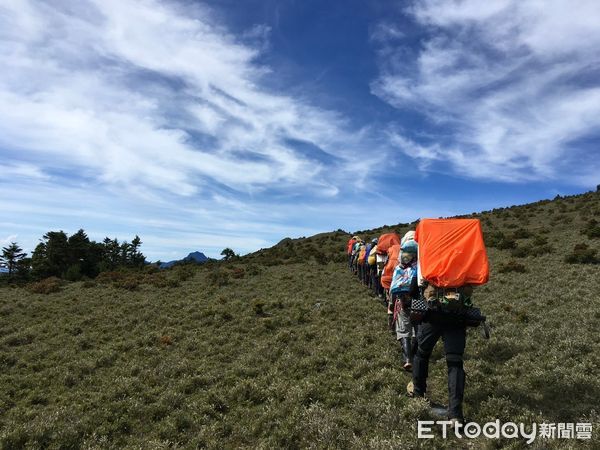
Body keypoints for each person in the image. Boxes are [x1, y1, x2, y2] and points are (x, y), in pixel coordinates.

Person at [409, 284, 473, 425]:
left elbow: (420, 282)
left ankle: (419, 396)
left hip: (434, 315)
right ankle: (456, 414)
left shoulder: (432, 261)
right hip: (457, 317)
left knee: (422, 354)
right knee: (455, 362)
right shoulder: (464, 263)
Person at [390, 234, 419, 370]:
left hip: (402, 296)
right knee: (416, 325)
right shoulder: (421, 255)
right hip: (417, 296)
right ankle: (415, 354)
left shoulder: (402, 257)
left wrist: (391, 304)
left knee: (403, 327)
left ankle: (408, 358)